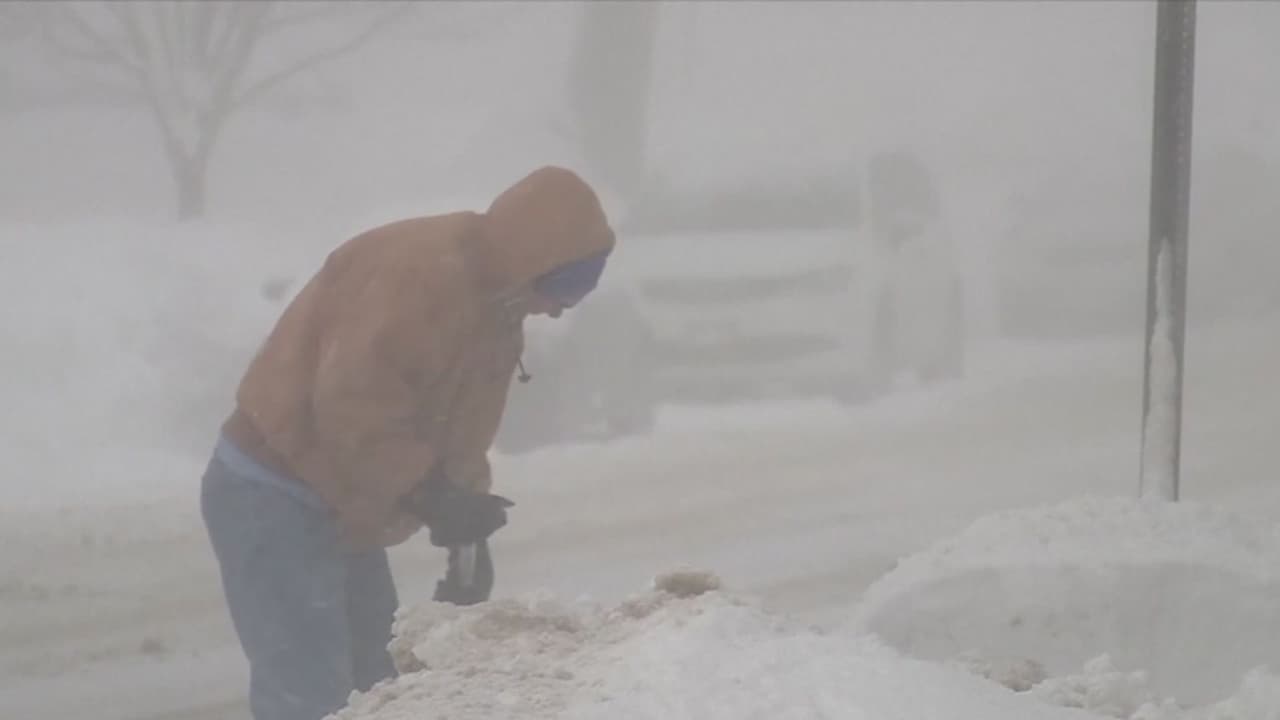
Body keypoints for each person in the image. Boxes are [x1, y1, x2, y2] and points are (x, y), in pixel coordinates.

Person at [199, 166, 615, 720]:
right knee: (310, 699)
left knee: (379, 689)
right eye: (565, 288)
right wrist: (428, 493)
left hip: (346, 502)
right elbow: (352, 400)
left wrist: (466, 531)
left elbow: (459, 424)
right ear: (534, 259)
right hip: (275, 489)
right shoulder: (417, 275)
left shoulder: (499, 303)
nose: (561, 308)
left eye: (580, 293)